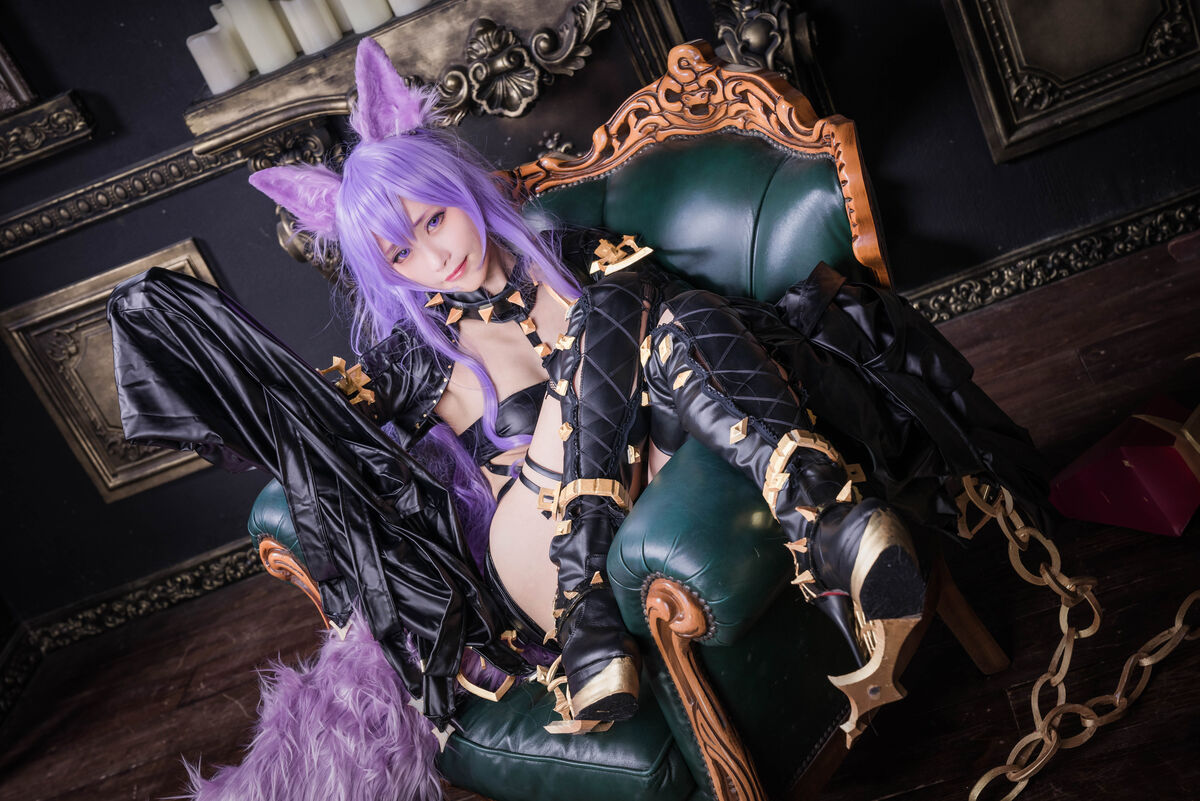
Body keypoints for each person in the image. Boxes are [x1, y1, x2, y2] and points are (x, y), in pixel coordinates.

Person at [108, 38, 1046, 734]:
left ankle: (822, 518)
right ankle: (755, 547)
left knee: (659, 309)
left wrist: (609, 305)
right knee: (623, 308)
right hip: (536, 549)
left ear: (457, 188)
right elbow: (317, 447)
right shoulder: (410, 358)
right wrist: (200, 349)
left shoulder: (574, 253)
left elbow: (695, 342)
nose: (438, 256)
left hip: (654, 481)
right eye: (403, 255)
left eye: (435, 219)